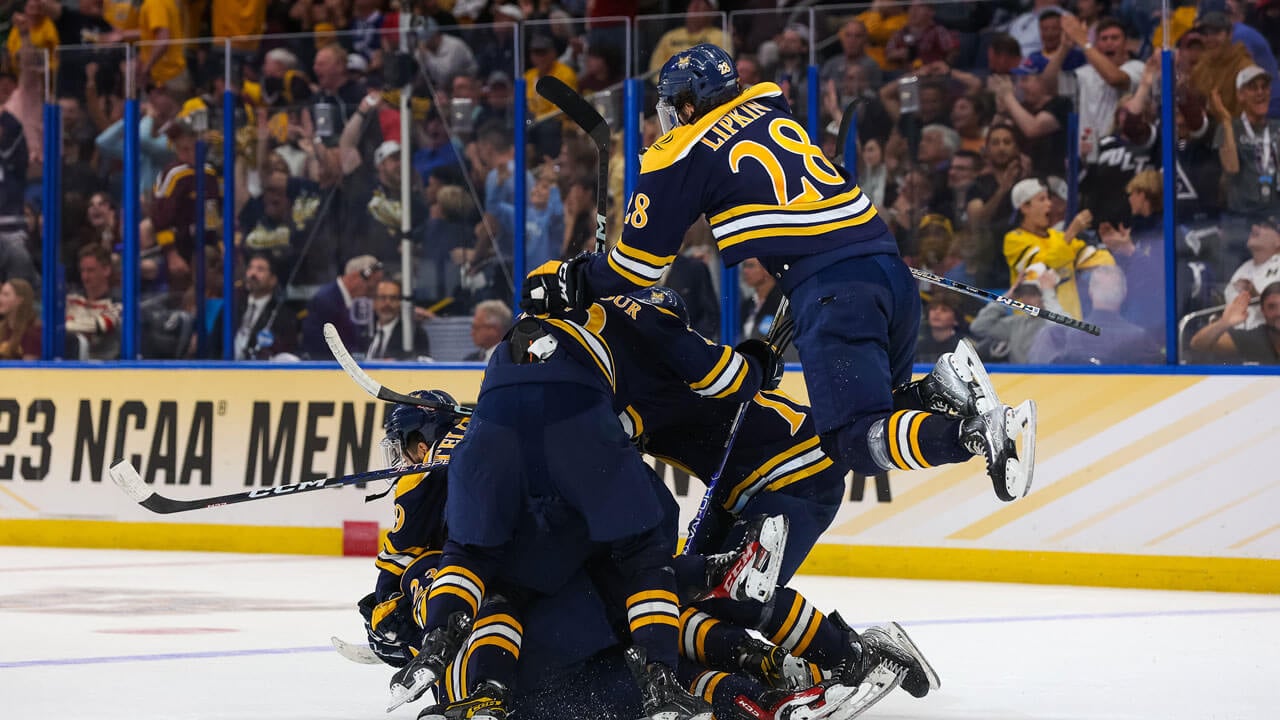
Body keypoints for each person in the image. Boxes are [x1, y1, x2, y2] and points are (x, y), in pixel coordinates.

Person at [523, 43, 1038, 505]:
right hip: (888, 269)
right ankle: (941, 388)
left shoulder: (679, 150)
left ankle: (975, 430)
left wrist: (571, 279)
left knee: (854, 441)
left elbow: (636, 268)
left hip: (835, 292)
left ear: (685, 106)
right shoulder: (770, 106)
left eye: (671, 108)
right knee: (886, 415)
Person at [1003, 178, 1114, 321]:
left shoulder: (1059, 237)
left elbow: (1095, 258)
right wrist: (1071, 232)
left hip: (1069, 324)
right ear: (1025, 207)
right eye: (1042, 200)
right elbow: (1040, 268)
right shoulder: (1013, 240)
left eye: (1049, 198)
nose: (1049, 204)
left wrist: (1115, 253)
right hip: (1033, 328)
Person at [1028, 264, 1162, 364]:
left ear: (1090, 291)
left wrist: (1048, 292)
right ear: (1124, 293)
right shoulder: (1140, 339)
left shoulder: (1065, 336)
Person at [300, 255, 382, 359]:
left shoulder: (357, 303)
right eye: (373, 285)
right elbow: (317, 344)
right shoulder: (325, 300)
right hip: (326, 368)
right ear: (355, 277)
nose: (374, 291)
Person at [1189, 281, 1280, 364]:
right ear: (1263, 311)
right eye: (1271, 307)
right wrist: (1225, 322)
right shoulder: (1257, 338)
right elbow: (1198, 344)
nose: (1278, 313)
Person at [234, 251, 298, 361]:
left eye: (260, 270)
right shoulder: (232, 307)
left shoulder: (283, 315)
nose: (252, 274)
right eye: (250, 268)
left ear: (273, 280)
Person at [66, 243, 122, 360]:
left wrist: (66, 325)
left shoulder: (117, 302)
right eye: (82, 271)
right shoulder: (72, 299)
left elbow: (101, 325)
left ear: (106, 270)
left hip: (104, 366)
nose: (85, 277)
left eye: (91, 271)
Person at [367, 278, 431, 361]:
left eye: (393, 298)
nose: (387, 303)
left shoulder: (414, 333)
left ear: (400, 303)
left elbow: (421, 365)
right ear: (374, 302)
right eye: (382, 298)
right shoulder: (365, 332)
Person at [0, 277, 39, 360]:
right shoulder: (2, 328)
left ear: (19, 300)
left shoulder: (33, 331)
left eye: (5, 295)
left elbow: (29, 369)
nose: (0, 299)